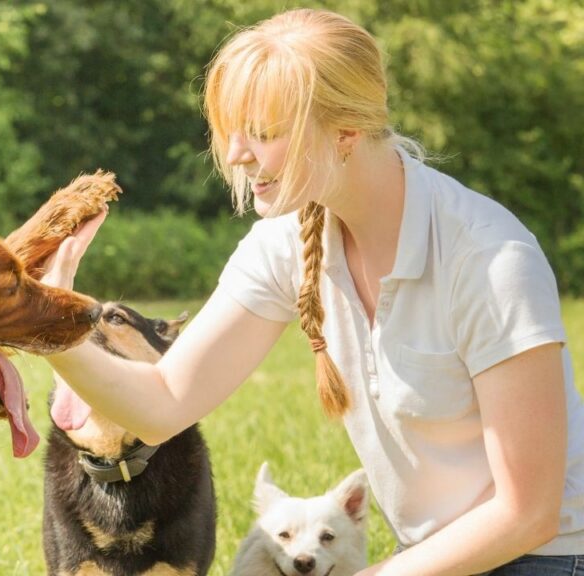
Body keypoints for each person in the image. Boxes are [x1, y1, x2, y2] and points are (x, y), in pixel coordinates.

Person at [40, 8, 584, 575]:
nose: (235, 155)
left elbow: (529, 513)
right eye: (231, 132)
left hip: (549, 557)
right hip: (427, 559)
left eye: (265, 133)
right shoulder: (285, 243)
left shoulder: (490, 261)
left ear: (346, 132)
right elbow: (161, 406)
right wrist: (51, 326)